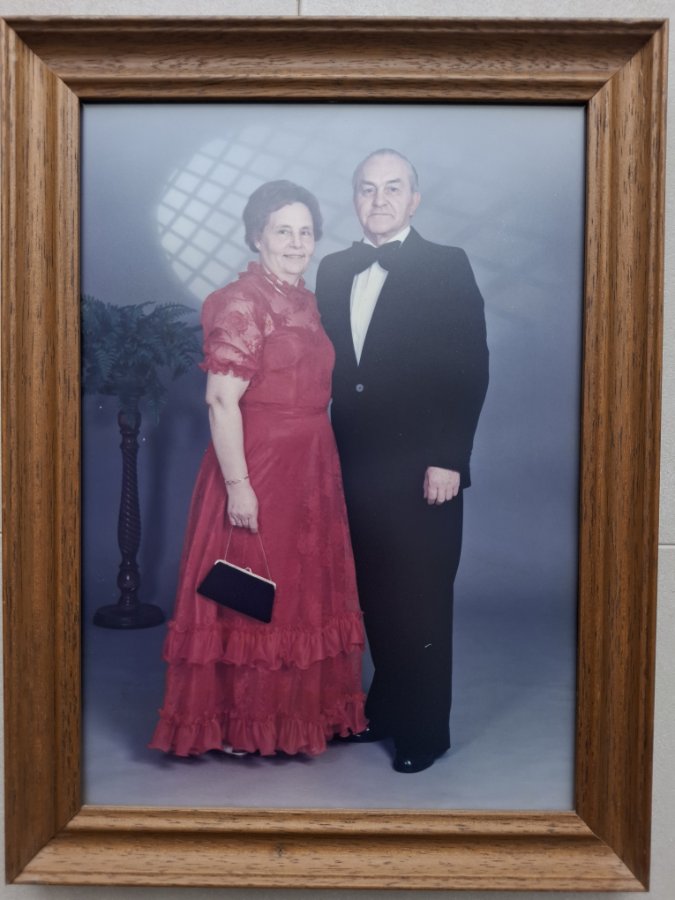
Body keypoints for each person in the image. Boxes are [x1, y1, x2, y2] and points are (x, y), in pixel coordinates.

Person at [150, 180, 367, 758]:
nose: (296, 243)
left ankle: (295, 715)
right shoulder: (242, 301)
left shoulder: (304, 300)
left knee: (296, 593)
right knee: (255, 591)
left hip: (312, 465)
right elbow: (221, 401)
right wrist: (239, 486)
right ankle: (244, 724)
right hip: (260, 464)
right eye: (282, 231)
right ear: (256, 236)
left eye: (305, 232)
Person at [316, 149, 489, 774]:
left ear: (414, 200)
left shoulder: (447, 264)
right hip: (352, 463)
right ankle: (385, 710)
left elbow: (469, 367)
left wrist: (449, 458)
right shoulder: (333, 269)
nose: (380, 199)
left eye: (393, 188)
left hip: (424, 468)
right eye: (368, 189)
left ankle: (426, 731)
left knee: (421, 598)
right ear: (354, 199)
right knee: (374, 595)